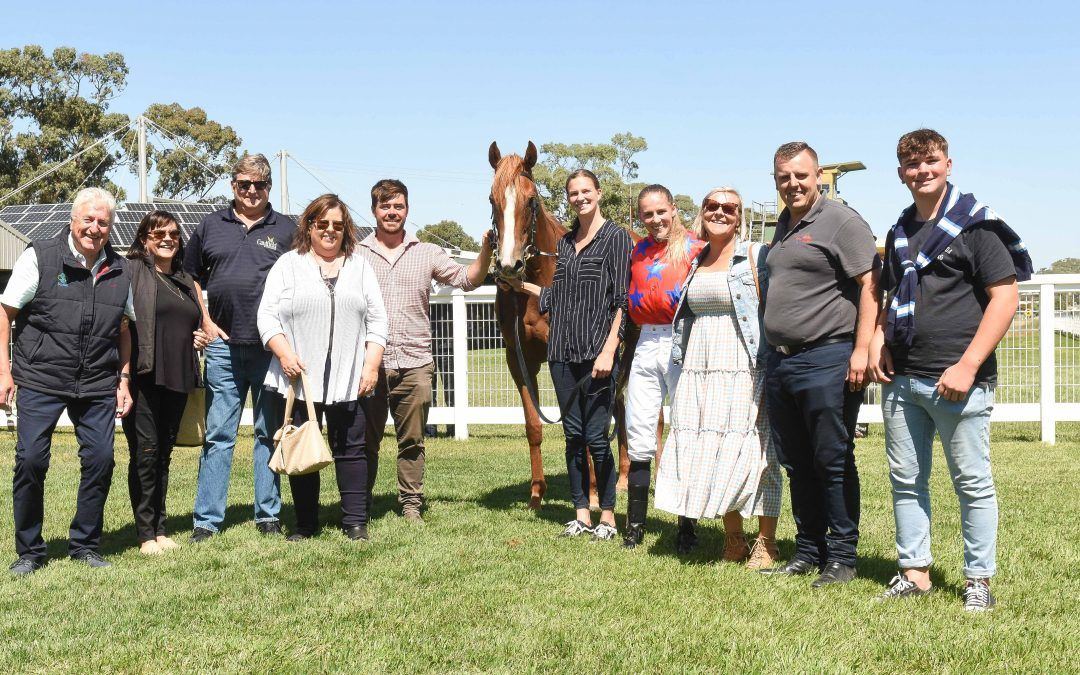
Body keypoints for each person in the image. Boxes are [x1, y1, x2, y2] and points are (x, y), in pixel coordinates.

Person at [870, 129, 1030, 611]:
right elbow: (889, 296)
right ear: (901, 174)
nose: (922, 172)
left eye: (931, 162)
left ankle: (978, 580)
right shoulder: (900, 230)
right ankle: (913, 573)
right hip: (903, 379)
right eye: (912, 166)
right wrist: (880, 341)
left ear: (948, 164)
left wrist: (967, 364)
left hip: (959, 381)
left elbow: (1005, 299)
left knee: (972, 482)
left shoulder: (976, 227)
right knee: (905, 480)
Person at [760, 142, 879, 588]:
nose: (793, 184)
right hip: (783, 363)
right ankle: (809, 549)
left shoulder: (841, 222)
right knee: (797, 462)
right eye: (783, 177)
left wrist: (861, 350)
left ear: (817, 177)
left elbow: (870, 286)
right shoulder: (784, 226)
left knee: (831, 459)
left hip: (828, 358)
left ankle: (843, 556)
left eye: (800, 176)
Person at [1, 187, 135, 574]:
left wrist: (122, 378)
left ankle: (85, 545)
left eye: (103, 222)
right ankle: (29, 551)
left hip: (96, 382)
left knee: (100, 459)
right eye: (88, 220)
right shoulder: (39, 257)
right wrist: (3, 371)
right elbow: (4, 313)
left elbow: (125, 328)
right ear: (73, 220)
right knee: (30, 460)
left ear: (111, 226)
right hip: (41, 376)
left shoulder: (120, 269)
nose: (95, 228)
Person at [654, 187, 783, 569]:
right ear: (701, 213)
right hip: (700, 369)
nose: (720, 212)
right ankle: (734, 539)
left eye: (730, 208)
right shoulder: (696, 259)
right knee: (712, 453)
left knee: (756, 455)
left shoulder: (756, 256)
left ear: (740, 216)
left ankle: (767, 543)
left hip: (744, 366)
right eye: (712, 206)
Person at [504, 169, 633, 540]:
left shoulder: (616, 238)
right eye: (573, 193)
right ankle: (581, 514)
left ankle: (607, 515)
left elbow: (621, 301)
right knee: (573, 436)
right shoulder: (565, 242)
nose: (580, 197)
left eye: (585, 191)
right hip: (562, 351)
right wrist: (520, 284)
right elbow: (555, 294)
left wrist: (610, 349)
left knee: (596, 436)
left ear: (599, 193)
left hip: (597, 352)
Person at [358, 179, 491, 522]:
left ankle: (411, 505)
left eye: (398, 206)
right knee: (363, 442)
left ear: (407, 209)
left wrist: (487, 251)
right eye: (385, 206)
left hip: (415, 362)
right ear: (374, 210)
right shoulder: (355, 254)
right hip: (367, 364)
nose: (392, 212)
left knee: (413, 442)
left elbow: (467, 279)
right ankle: (361, 503)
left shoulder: (428, 252)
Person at [258, 194, 387, 541]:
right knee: (304, 448)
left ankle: (355, 523)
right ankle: (306, 524)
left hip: (350, 378)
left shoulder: (360, 267)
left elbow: (377, 321)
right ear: (309, 226)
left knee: (352, 450)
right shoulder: (288, 265)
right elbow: (267, 315)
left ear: (346, 230)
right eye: (322, 224)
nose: (330, 231)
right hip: (301, 380)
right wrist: (284, 354)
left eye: (338, 225)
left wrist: (371, 366)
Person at [185, 154, 296, 543]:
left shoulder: (287, 229)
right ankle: (206, 520)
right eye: (244, 184)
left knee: (269, 432)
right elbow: (191, 276)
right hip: (222, 348)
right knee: (219, 434)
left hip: (270, 349)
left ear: (269, 187)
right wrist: (206, 321)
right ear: (233, 185)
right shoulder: (211, 225)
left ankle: (268, 514)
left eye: (260, 185)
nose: (252, 191)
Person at [620, 185, 704, 548]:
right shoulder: (637, 251)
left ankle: (687, 526)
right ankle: (635, 525)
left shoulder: (696, 248)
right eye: (647, 215)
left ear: (673, 208)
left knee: (685, 427)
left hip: (681, 338)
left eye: (660, 212)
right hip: (645, 341)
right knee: (638, 427)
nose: (655, 220)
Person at [124, 211, 209, 555]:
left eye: (173, 233)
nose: (167, 239)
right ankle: (145, 533)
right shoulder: (132, 272)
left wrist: (198, 337)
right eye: (159, 233)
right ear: (145, 238)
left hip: (178, 376)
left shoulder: (186, 280)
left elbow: (194, 322)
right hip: (144, 376)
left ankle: (160, 528)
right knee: (145, 454)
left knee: (163, 456)